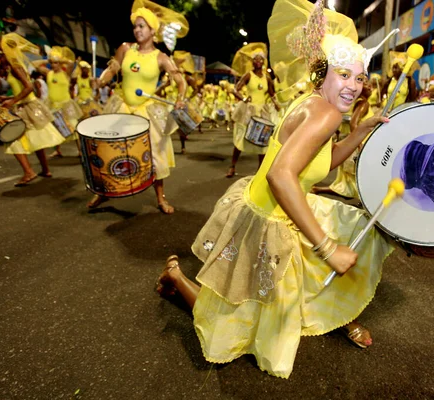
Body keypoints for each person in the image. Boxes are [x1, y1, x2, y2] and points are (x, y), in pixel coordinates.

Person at [155, 0, 394, 379]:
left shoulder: (316, 103)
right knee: (229, 326)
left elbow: (323, 163)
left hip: (271, 209)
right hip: (266, 218)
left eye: (360, 77)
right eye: (344, 75)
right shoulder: (326, 112)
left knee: (276, 300)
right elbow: (281, 176)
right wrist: (327, 248)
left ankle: (336, 317)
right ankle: (175, 277)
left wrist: (360, 132)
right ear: (323, 73)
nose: (354, 86)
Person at [88, 2, 189, 214]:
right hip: (122, 107)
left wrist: (181, 98)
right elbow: (112, 68)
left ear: (153, 30)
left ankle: (160, 198)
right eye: (135, 26)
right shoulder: (125, 48)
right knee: (109, 150)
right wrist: (100, 81)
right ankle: (103, 191)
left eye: (142, 26)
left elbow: (181, 81)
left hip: (147, 111)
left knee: (154, 154)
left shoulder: (161, 58)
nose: (137, 30)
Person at [0, 33, 65, 186]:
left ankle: (29, 172)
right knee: (35, 140)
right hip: (26, 105)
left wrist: (13, 100)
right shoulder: (17, 65)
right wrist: (7, 99)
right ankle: (45, 169)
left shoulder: (15, 66)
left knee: (12, 139)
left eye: (0, 51)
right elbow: (22, 87)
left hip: (26, 106)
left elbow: (29, 87)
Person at [311, 82, 374, 198]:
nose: (370, 87)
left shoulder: (355, 101)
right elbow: (353, 124)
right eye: (365, 83)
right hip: (356, 141)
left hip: (348, 139)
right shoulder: (363, 103)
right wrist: (360, 144)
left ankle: (317, 188)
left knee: (347, 181)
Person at [227, 42, 280, 178]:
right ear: (252, 61)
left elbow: (272, 94)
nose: (258, 61)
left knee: (262, 141)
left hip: (262, 111)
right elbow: (235, 89)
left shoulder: (267, 78)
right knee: (241, 139)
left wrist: (276, 103)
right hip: (248, 111)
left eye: (260, 59)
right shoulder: (248, 75)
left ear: (263, 62)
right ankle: (232, 166)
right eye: (255, 59)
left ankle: (260, 171)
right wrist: (243, 98)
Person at [33, 46, 84, 158]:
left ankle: (80, 150)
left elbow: (71, 62)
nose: (53, 65)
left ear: (60, 63)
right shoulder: (48, 73)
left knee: (74, 127)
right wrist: (48, 60)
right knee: (56, 127)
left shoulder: (66, 73)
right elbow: (34, 64)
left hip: (65, 104)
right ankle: (58, 150)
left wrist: (59, 60)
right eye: (52, 63)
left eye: (55, 63)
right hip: (52, 104)